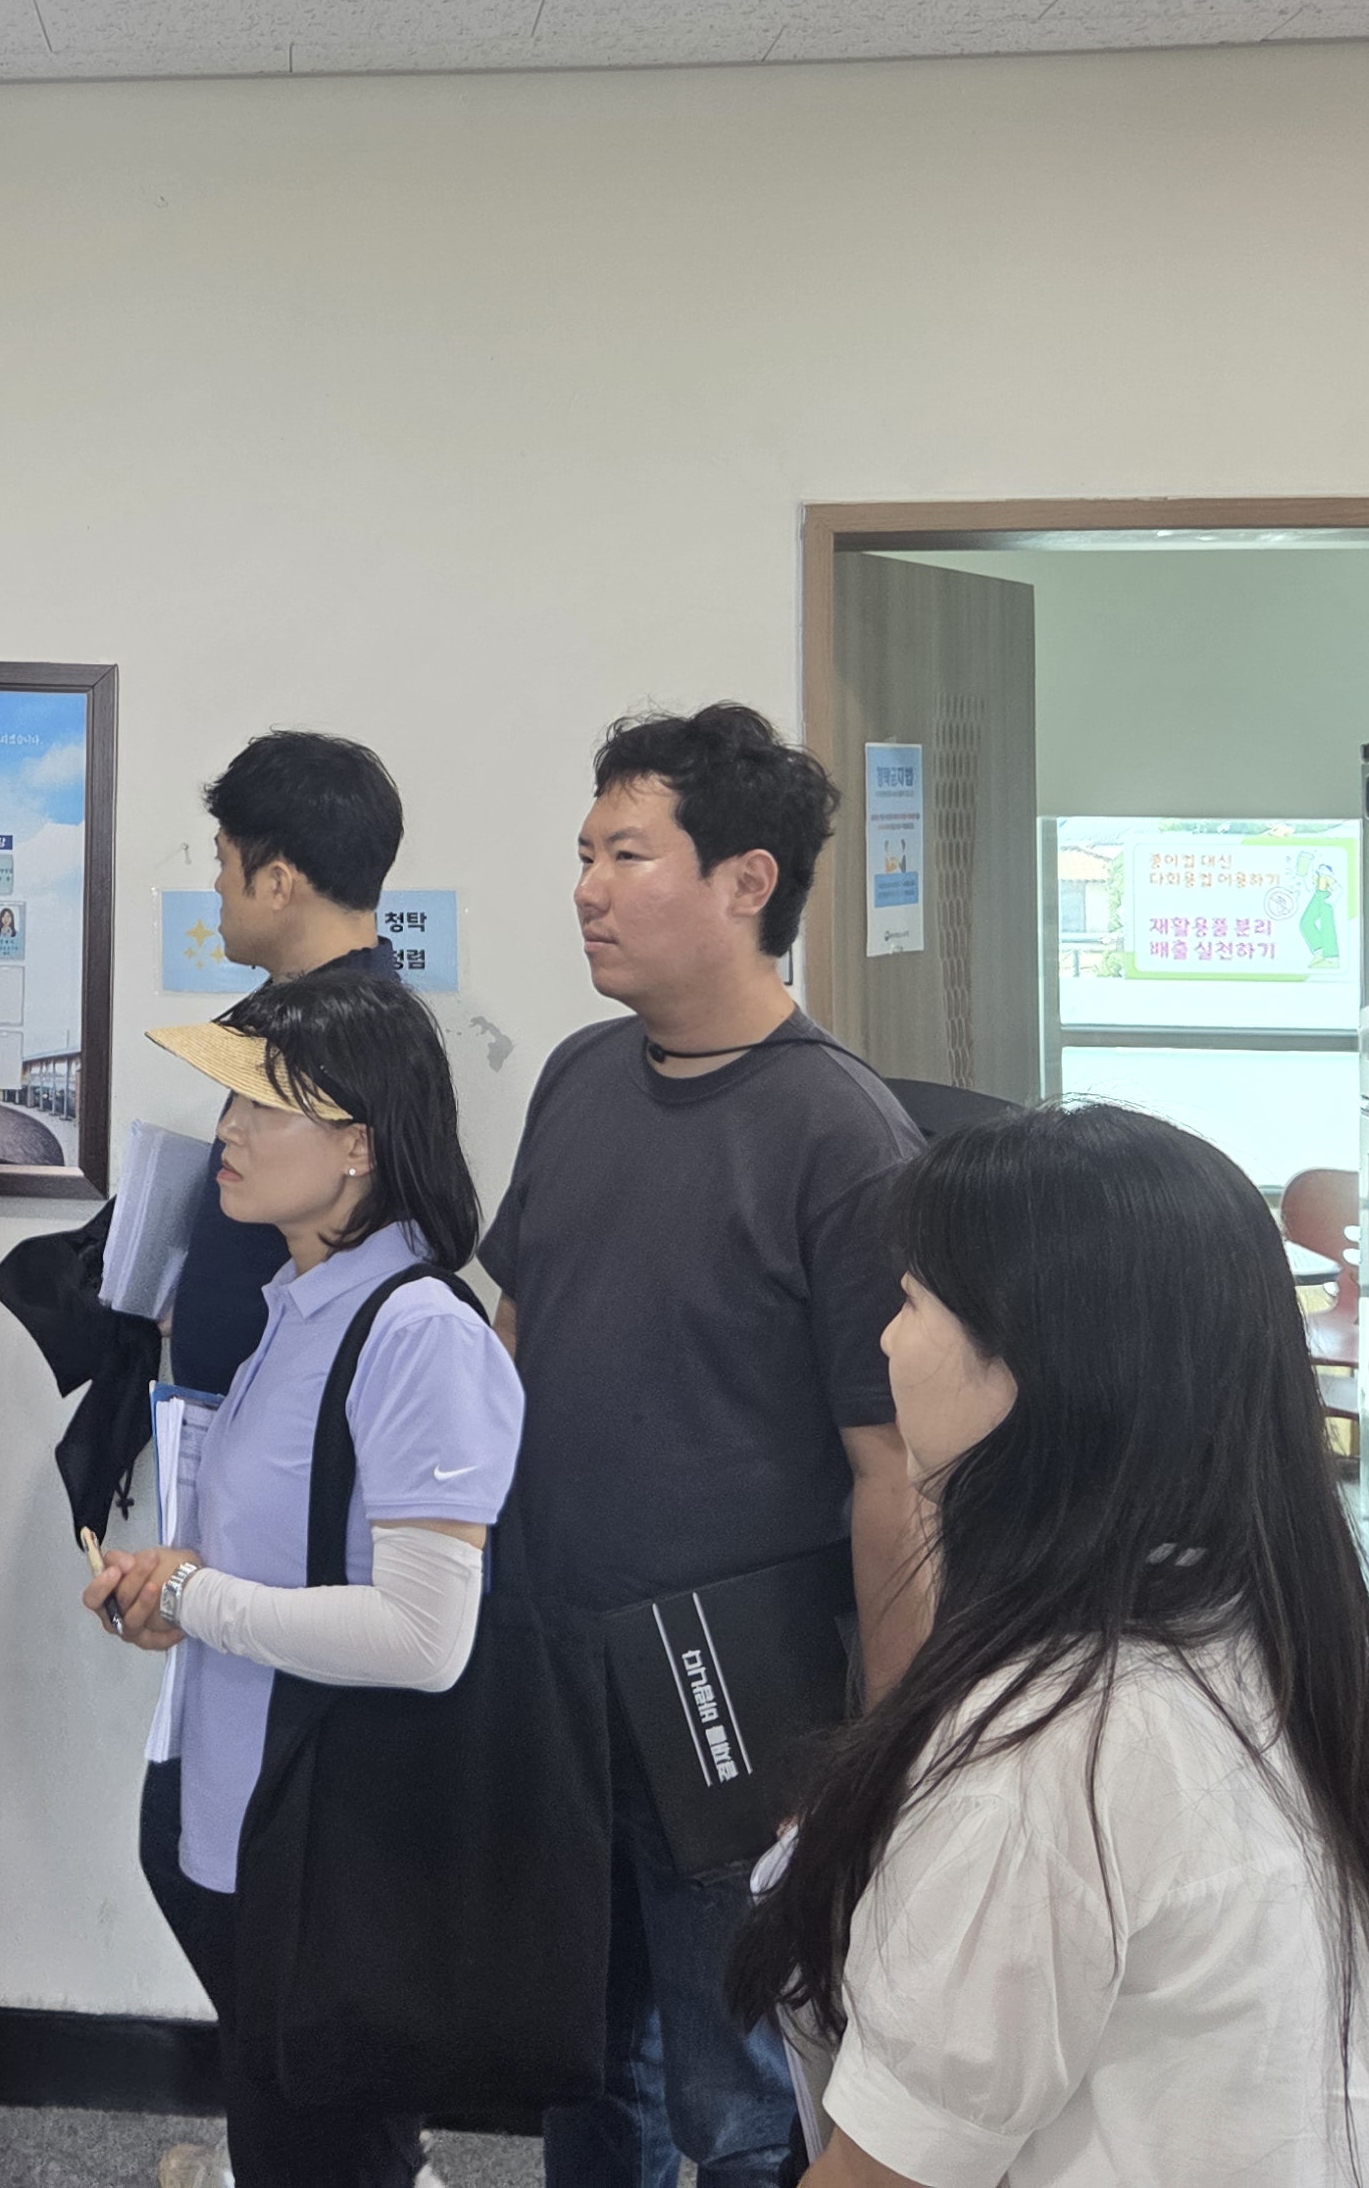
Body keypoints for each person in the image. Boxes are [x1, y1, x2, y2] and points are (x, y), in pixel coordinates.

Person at [729, 1105, 1369, 2188]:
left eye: (910, 1301)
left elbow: (876, 2176)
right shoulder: (1237, 1635)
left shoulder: (1044, 1752)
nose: (887, 1341)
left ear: (1038, 1365)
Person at [481, 703, 927, 2188]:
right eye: (584, 854)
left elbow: (894, 1470)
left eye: (626, 854)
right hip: (557, 1668)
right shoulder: (577, 1076)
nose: (586, 889)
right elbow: (515, 1343)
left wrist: (879, 1747)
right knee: (579, 2065)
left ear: (747, 882)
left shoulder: (840, 1134)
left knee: (735, 2100)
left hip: (739, 1701)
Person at [86, 967, 524, 2188]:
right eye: (228, 1102)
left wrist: (193, 1600)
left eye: (259, 1106)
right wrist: (173, 1586)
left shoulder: (416, 1332)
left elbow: (424, 1634)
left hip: (335, 1849)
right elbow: (283, 1555)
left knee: (329, 2151)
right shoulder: (300, 1305)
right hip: (257, 1822)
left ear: (358, 1146)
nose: (225, 1132)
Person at [173, 731, 411, 1401]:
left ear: (277, 883)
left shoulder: (353, 1044)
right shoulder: (292, 1018)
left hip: (296, 1424)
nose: (218, 884)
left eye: (224, 861)